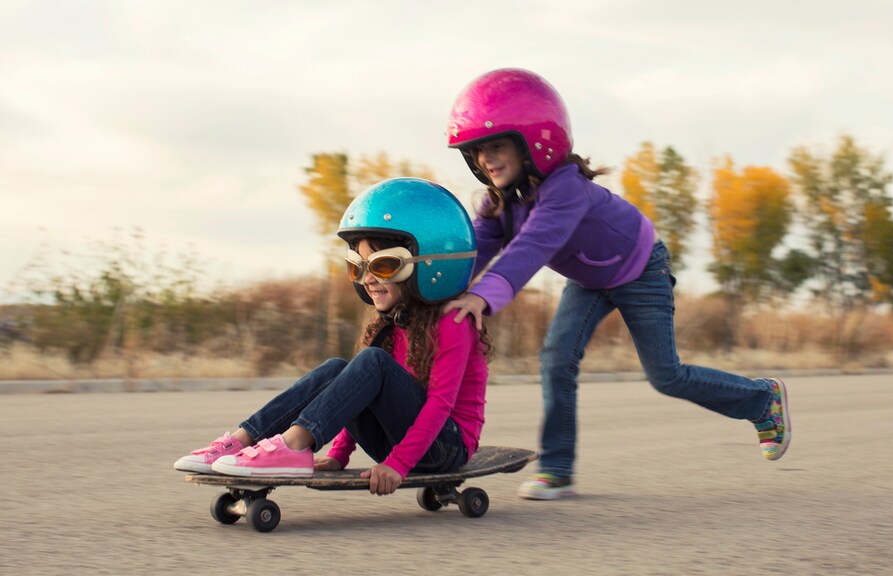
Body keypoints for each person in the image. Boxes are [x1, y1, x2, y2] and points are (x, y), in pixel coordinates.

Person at [444, 68, 791, 500]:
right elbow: (473, 250)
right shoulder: (500, 204)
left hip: (642, 268)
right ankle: (556, 468)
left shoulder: (565, 189)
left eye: (496, 146)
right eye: (477, 151)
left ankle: (762, 400)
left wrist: (482, 295)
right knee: (556, 359)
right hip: (590, 280)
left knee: (666, 376)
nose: (485, 159)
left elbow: (531, 248)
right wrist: (435, 286)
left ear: (534, 141)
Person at [174, 178, 490, 496]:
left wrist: (398, 464)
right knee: (338, 368)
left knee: (372, 362)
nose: (367, 279)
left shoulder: (454, 321)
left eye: (382, 266)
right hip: (402, 441)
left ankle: (294, 445)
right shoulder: (395, 320)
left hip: (445, 448)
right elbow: (355, 393)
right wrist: (339, 453)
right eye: (358, 267)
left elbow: (439, 404)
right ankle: (241, 442)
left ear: (431, 262)